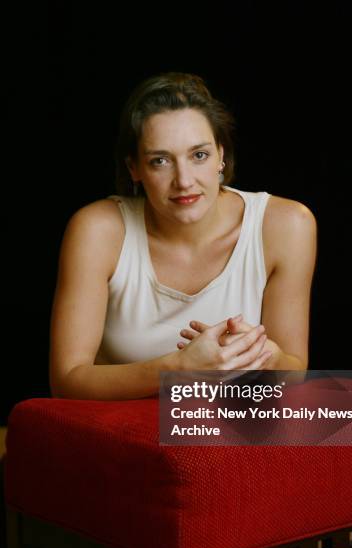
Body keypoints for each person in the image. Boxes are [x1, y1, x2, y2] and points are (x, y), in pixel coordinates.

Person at [49, 72, 317, 400]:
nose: (184, 180)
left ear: (221, 154)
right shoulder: (97, 230)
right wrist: (178, 369)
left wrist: (264, 357)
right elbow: (66, 380)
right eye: (160, 161)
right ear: (134, 168)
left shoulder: (286, 225)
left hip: (219, 430)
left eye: (199, 155)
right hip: (115, 434)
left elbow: (293, 370)